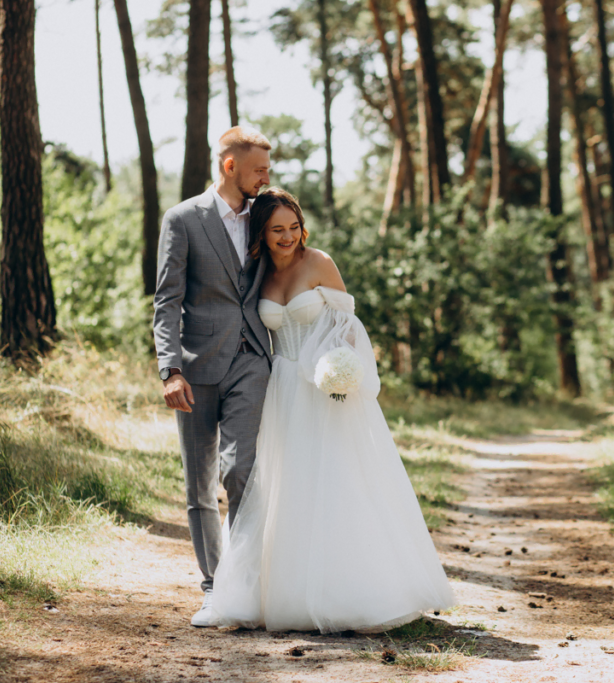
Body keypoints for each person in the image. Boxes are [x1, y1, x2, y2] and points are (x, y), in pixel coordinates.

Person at [208, 188, 456, 633]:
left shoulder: (319, 262)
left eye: (293, 227)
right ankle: (282, 593)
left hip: (325, 388)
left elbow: (348, 327)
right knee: (286, 486)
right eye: (276, 229)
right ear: (261, 234)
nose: (288, 237)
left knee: (335, 481)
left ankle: (351, 591)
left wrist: (339, 371)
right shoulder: (257, 273)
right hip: (280, 390)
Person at [153, 127, 274, 627]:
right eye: (258, 170)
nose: (266, 177)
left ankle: (246, 581)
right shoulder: (183, 219)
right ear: (229, 167)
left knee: (241, 469)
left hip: (252, 360)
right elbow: (167, 299)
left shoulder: (267, 215)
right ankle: (214, 586)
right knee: (199, 483)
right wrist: (170, 369)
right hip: (197, 366)